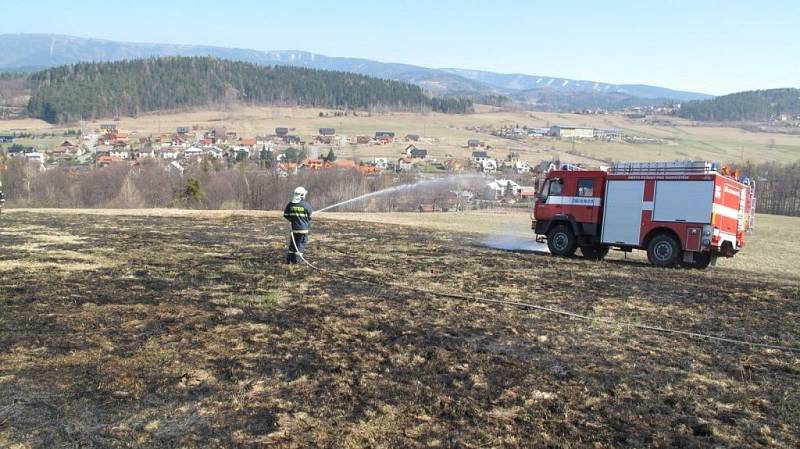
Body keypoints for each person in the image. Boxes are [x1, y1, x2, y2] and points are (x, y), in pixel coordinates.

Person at [283, 187, 312, 264]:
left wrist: (293, 219)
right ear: (302, 195)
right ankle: (297, 260)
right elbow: (309, 217)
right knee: (301, 243)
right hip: (303, 229)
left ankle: (289, 259)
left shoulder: (290, 205)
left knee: (293, 243)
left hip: (294, 229)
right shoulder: (306, 205)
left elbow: (286, 215)